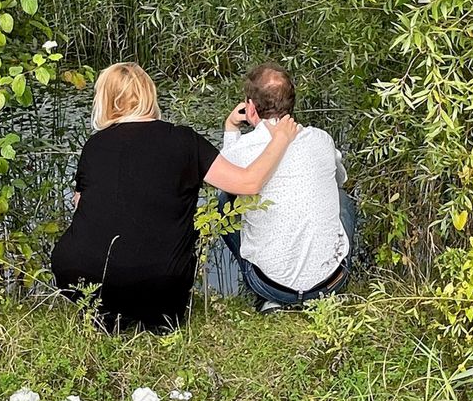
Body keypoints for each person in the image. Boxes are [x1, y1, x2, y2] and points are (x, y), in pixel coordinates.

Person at [52, 62, 299, 332]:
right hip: (160, 284)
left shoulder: (94, 146)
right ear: (150, 94)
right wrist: (280, 140)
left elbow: (81, 205)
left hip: (81, 278)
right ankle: (155, 318)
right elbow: (248, 183)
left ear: (105, 100)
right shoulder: (184, 141)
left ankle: (106, 314)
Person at [218, 62, 355, 311]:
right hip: (331, 282)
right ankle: (321, 281)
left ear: (250, 107)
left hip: (269, 285)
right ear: (291, 103)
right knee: (343, 198)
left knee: (223, 201)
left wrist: (231, 129)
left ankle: (271, 298)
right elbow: (339, 180)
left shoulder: (242, 149)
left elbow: (230, 178)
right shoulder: (321, 139)